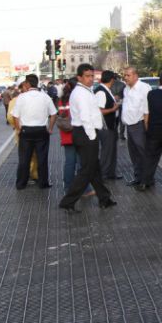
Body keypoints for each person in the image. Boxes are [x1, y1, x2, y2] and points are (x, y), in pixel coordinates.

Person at [58, 63, 117, 213]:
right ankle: (68, 201)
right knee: (86, 170)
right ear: (79, 77)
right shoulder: (81, 93)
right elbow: (85, 117)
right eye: (87, 76)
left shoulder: (85, 91)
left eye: (92, 76)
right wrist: (92, 136)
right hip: (85, 133)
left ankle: (104, 198)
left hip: (86, 133)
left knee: (94, 169)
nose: (91, 79)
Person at [11, 74, 57, 189]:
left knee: (24, 159)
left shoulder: (22, 97)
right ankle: (43, 183)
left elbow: (15, 116)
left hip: (26, 131)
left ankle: (21, 184)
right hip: (41, 130)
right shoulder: (45, 97)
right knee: (42, 158)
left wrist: (18, 129)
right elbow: (54, 114)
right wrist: (50, 128)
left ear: (27, 83)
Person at [58, 78, 93, 196]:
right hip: (78, 134)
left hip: (66, 136)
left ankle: (68, 187)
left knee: (69, 163)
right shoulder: (76, 99)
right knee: (81, 163)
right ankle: (85, 189)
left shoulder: (61, 101)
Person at [121, 67, 151, 187]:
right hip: (129, 125)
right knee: (133, 154)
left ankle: (147, 180)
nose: (125, 78)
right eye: (125, 75)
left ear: (135, 76)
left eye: (128, 75)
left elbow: (147, 109)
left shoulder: (144, 88)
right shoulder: (126, 89)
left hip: (140, 125)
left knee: (143, 153)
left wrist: (147, 128)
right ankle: (138, 177)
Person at [8, 81, 39, 183]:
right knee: (35, 155)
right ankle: (33, 174)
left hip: (22, 131)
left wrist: (18, 127)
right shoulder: (37, 98)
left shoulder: (16, 100)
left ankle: (27, 177)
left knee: (25, 156)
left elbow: (10, 117)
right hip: (35, 131)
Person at [95, 70, 122, 180]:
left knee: (111, 150)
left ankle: (110, 173)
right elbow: (99, 111)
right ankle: (104, 174)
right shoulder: (101, 92)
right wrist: (113, 109)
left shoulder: (105, 90)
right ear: (112, 80)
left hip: (111, 125)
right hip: (105, 126)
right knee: (107, 151)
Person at [110, 73, 127, 140]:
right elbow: (125, 94)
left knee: (114, 119)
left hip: (113, 103)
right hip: (121, 102)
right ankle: (121, 134)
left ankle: (115, 133)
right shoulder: (122, 84)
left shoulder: (110, 84)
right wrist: (119, 96)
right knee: (121, 120)